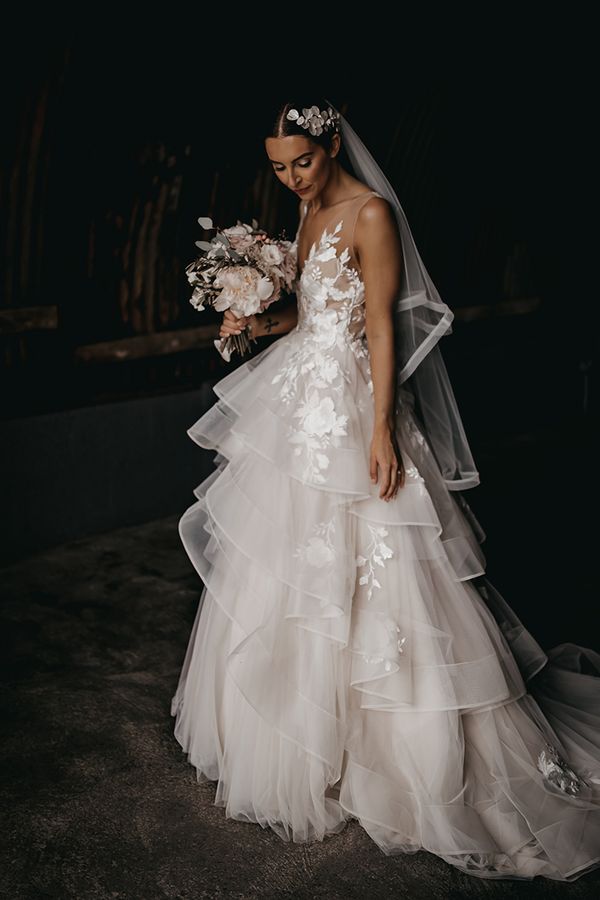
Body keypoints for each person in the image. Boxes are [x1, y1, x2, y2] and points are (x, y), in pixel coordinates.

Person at [171, 98, 600, 881]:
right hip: (301, 403)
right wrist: (251, 322)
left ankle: (404, 755)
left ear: (333, 144)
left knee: (383, 564)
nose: (293, 179)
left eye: (303, 162)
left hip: (354, 404)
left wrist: (379, 432)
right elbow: (311, 317)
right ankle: (302, 741)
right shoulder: (305, 212)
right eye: (279, 167)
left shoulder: (372, 213)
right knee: (285, 563)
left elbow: (378, 325)